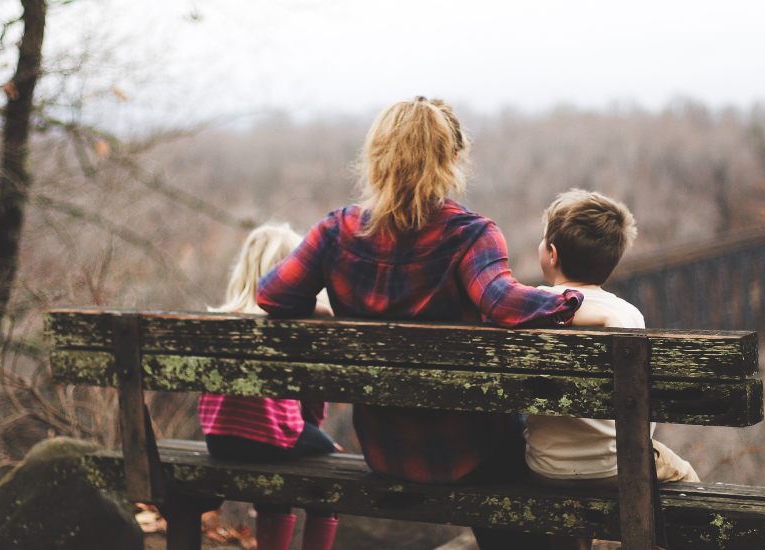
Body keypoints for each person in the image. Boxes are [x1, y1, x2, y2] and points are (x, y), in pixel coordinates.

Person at [257, 96, 582, 549]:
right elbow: (504, 303)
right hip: (473, 455)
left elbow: (272, 295)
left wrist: (322, 311)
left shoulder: (336, 232)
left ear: (377, 158)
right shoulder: (470, 234)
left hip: (386, 453)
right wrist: (574, 299)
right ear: (451, 160)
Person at [524, 189, 700, 550]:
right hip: (615, 469)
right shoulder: (627, 316)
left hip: (544, 466)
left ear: (552, 254)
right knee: (686, 476)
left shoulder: (530, 307)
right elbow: (643, 414)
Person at [202, 223, 339, 550]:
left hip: (218, 440)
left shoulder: (220, 323)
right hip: (269, 437)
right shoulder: (291, 328)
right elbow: (311, 401)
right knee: (330, 471)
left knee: (281, 458)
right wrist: (310, 433)